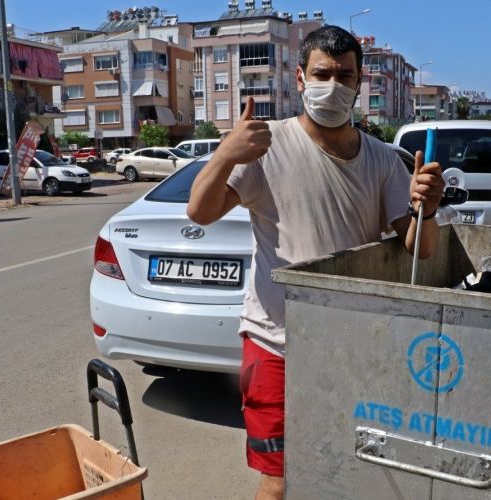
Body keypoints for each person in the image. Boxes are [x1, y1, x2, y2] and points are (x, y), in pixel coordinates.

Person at [187, 26, 444, 500]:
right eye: (322, 73)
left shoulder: (385, 160)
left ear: (358, 84)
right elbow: (200, 212)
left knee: (349, 470)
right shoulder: (267, 147)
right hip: (275, 345)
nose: (333, 84)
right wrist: (225, 153)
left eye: (344, 75)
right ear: (301, 80)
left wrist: (426, 205)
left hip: (354, 347)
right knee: (280, 481)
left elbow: (420, 246)